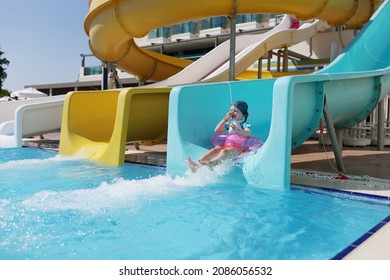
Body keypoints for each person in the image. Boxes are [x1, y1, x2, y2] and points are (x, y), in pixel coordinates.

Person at [186, 100, 262, 173]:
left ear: (243, 114)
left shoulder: (245, 123)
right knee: (215, 150)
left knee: (224, 151)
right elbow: (217, 130)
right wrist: (225, 119)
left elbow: (248, 133)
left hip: (238, 149)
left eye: (235, 111)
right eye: (231, 110)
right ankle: (196, 165)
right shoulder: (230, 123)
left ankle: (212, 163)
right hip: (227, 145)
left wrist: (238, 130)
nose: (232, 113)